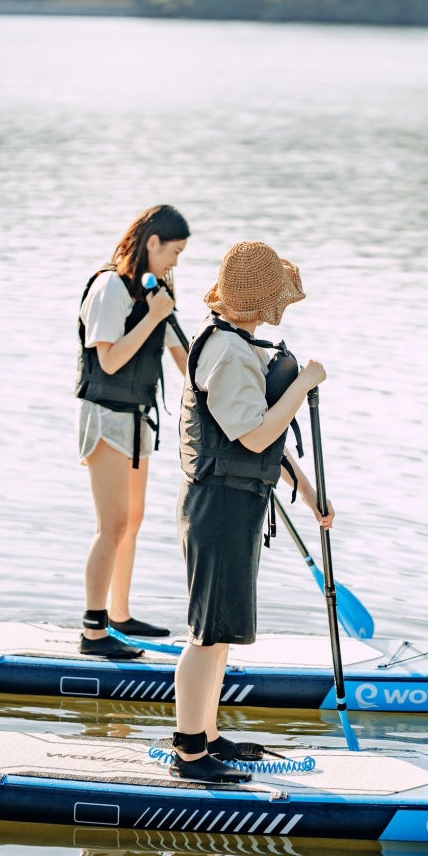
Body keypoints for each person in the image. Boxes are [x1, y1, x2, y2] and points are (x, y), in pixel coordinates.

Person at [170, 241, 333, 782]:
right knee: (207, 633)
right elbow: (256, 431)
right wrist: (303, 383)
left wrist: (308, 495)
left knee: (221, 632)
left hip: (236, 503)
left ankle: (209, 736)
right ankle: (189, 752)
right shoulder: (227, 351)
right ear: (260, 303)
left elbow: (268, 445)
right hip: (217, 505)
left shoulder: (239, 345)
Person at [75, 205, 191, 659]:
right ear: (152, 243)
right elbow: (108, 360)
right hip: (105, 416)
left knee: (133, 521)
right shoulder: (109, 288)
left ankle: (119, 614)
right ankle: (93, 630)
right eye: (174, 252)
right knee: (112, 525)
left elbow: (182, 356)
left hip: (139, 416)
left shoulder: (157, 291)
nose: (176, 263)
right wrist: (153, 314)